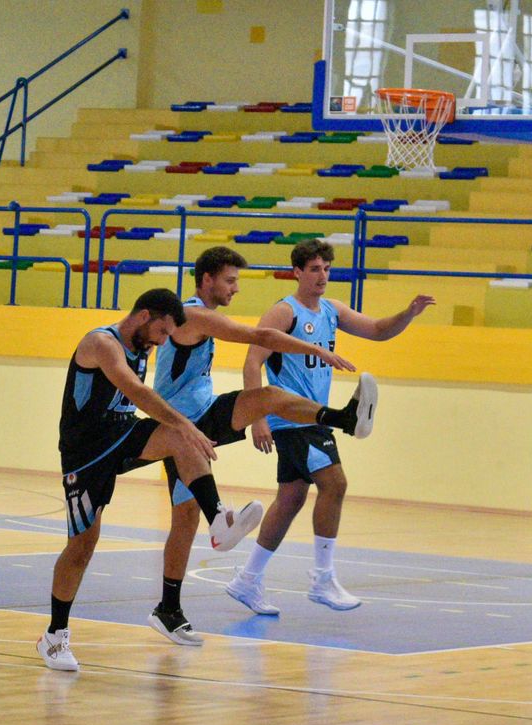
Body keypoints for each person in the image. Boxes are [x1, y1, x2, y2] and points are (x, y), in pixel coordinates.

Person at [35, 288, 265, 671]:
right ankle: (54, 636)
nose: (162, 341)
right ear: (143, 316)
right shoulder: (101, 343)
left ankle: (219, 520)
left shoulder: (144, 344)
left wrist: (184, 427)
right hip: (86, 452)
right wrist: (185, 422)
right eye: (161, 332)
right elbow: (136, 391)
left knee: (180, 437)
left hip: (122, 434)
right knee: (82, 547)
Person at [147, 246, 370, 641]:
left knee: (266, 403)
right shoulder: (193, 315)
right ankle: (340, 419)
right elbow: (259, 338)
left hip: (200, 421)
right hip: (181, 426)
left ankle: (177, 598)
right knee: (185, 521)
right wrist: (315, 348)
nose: (235, 288)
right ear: (207, 280)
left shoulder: (199, 315)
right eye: (230, 280)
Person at [225, 239, 434, 614]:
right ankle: (322, 578)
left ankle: (247, 580)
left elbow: (378, 329)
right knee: (335, 483)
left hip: (312, 416)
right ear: (298, 273)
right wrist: (257, 418)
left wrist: (408, 313)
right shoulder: (282, 312)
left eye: (327, 269)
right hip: (291, 416)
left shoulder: (332, 310)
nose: (323, 276)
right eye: (316, 269)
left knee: (290, 499)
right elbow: (251, 363)